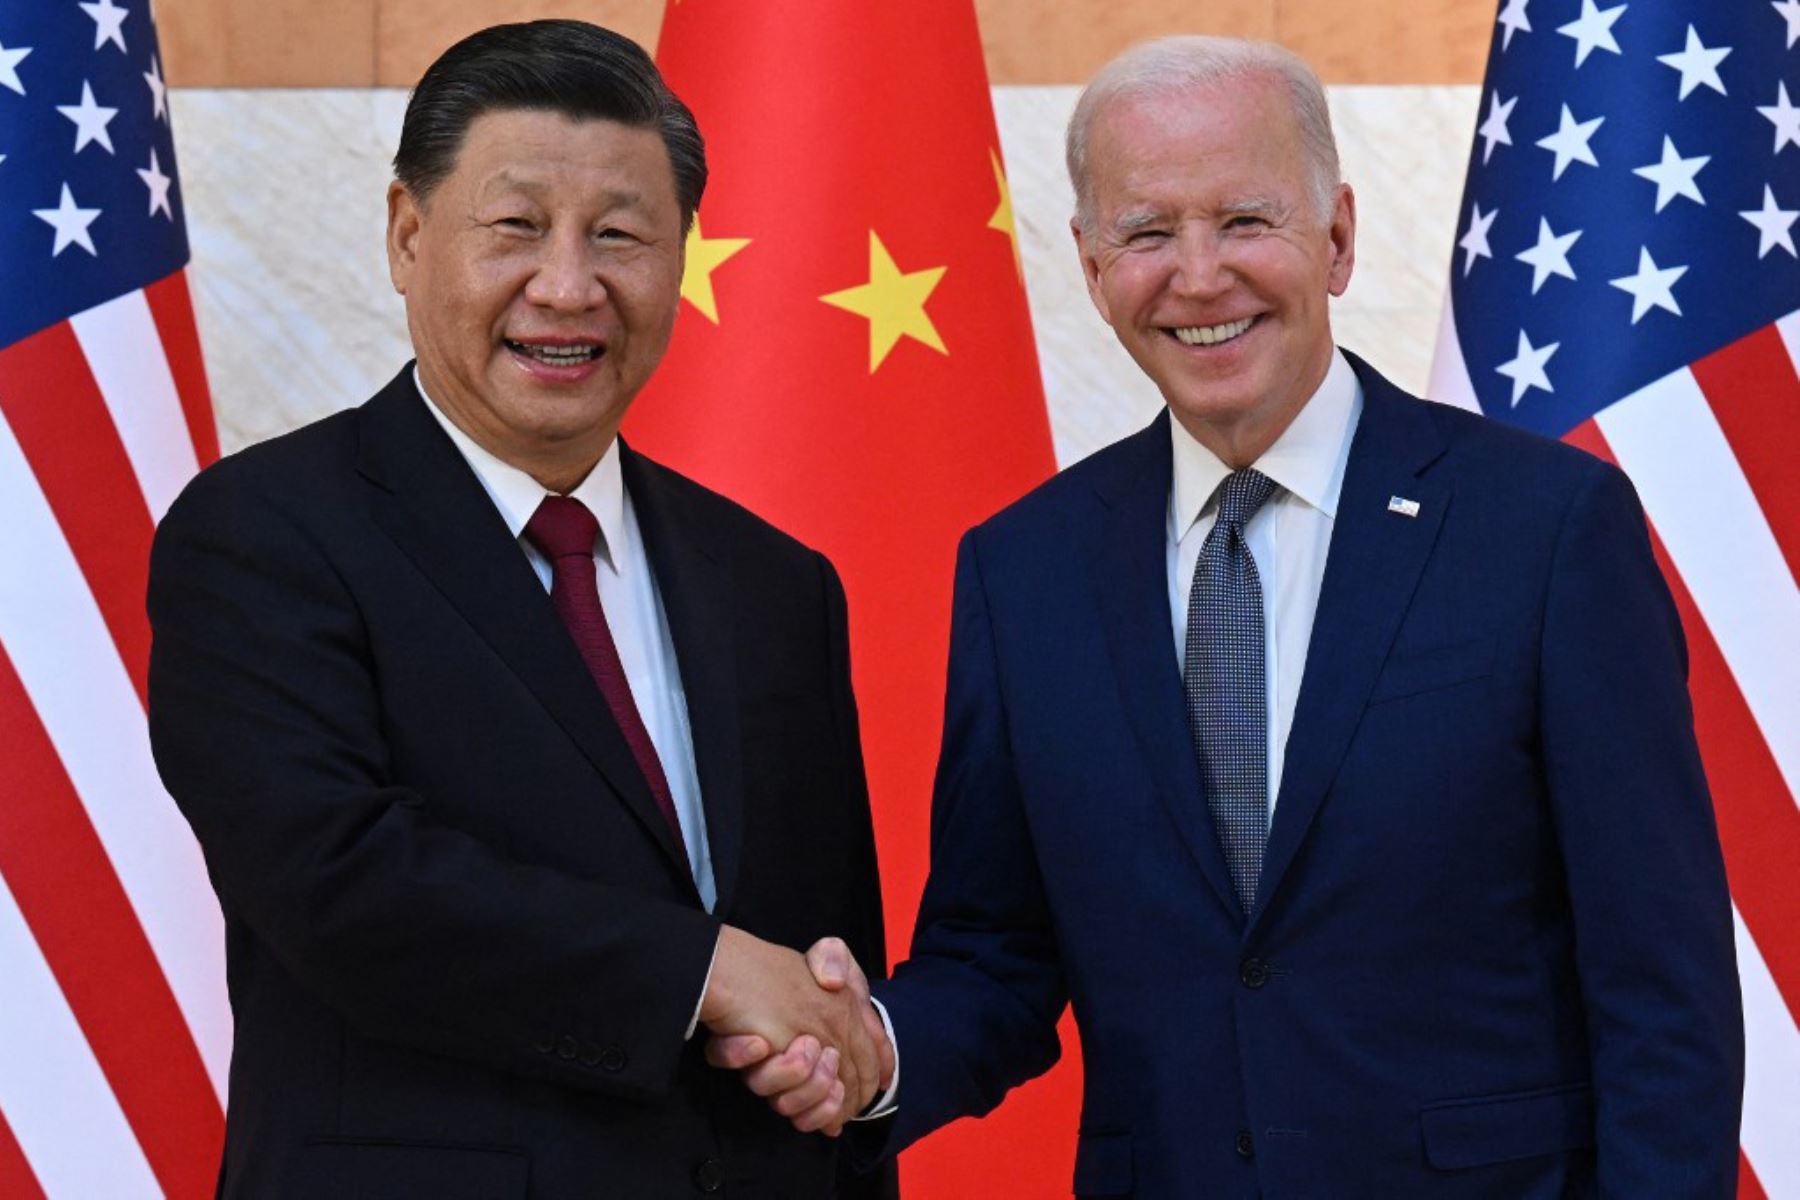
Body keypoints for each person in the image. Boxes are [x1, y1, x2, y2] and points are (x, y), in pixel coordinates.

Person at [717, 34, 1743, 1197]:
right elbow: (997, 951)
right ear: (1093, 268)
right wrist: (869, 1054)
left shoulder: (1548, 528)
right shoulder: (1025, 568)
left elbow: (1664, 990)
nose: (1198, 276)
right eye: (1148, 233)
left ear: (1339, 238)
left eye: (1245, 221)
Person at [147, 20, 891, 1198]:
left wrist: (832, 1058)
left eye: (620, 236)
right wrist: (700, 973)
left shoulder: (773, 581)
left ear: (682, 257)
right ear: (406, 235)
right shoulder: (264, 534)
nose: (567, 285)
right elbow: (341, 886)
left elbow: (823, 969)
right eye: (516, 227)